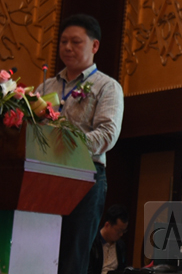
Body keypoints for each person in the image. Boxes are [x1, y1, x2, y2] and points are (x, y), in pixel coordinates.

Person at [38, 14, 124, 274]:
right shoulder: (46, 87)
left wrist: (64, 142)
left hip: (85, 176)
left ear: (94, 46)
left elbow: (107, 134)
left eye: (76, 42)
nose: (67, 47)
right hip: (44, 176)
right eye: (63, 41)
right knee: (39, 250)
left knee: (72, 258)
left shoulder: (107, 86)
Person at [88, 204, 129, 274]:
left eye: (124, 231)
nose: (121, 234)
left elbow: (123, 269)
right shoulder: (92, 243)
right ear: (107, 225)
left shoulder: (121, 246)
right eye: (119, 231)